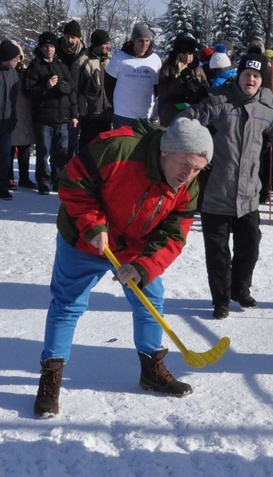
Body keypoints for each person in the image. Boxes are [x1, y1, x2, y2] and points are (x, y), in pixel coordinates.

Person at [33, 117, 214, 418]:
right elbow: (73, 181)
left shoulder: (188, 185)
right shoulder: (119, 148)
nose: (190, 175)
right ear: (165, 152)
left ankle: (151, 370)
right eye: (186, 164)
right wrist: (92, 225)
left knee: (150, 300)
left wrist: (144, 267)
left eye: (198, 168)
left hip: (133, 247)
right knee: (68, 304)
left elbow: (173, 234)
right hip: (83, 239)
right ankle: (51, 375)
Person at [177, 54, 273, 320]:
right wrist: (200, 151)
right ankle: (221, 300)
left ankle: (240, 289)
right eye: (246, 75)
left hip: (248, 194)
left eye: (256, 76)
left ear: (261, 80)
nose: (251, 80)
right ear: (238, 76)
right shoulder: (219, 102)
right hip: (216, 192)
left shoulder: (267, 111)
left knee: (250, 246)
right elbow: (187, 119)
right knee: (218, 252)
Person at [23, 31, 78, 194]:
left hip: (63, 117)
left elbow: (72, 91)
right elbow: (28, 91)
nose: (49, 49)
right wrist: (45, 86)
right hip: (43, 118)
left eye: (52, 46)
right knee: (43, 153)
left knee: (61, 152)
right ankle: (43, 181)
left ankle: (58, 180)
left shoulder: (61, 66)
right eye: (46, 46)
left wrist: (74, 114)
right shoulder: (35, 66)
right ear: (41, 48)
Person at [105, 24, 161, 129]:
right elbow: (108, 85)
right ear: (133, 41)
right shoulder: (119, 58)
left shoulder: (155, 60)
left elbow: (157, 87)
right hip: (122, 114)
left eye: (147, 41)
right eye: (141, 41)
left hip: (145, 116)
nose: (144, 44)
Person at [71, 29, 113, 147]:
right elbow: (74, 88)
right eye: (105, 44)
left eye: (108, 43)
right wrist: (75, 112)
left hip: (107, 112)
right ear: (97, 44)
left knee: (104, 147)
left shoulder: (110, 60)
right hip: (89, 113)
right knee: (88, 147)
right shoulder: (82, 61)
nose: (107, 47)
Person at [158, 35, 209, 126]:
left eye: (190, 53)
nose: (188, 57)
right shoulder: (169, 66)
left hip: (193, 113)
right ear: (178, 53)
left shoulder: (198, 68)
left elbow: (207, 89)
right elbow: (162, 91)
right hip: (172, 113)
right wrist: (180, 80)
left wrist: (198, 88)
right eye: (184, 54)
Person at [57, 20, 86, 159]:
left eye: (73, 37)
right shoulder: (55, 51)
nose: (70, 40)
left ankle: (71, 169)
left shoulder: (84, 54)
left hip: (77, 101)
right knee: (60, 142)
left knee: (73, 139)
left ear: (79, 38)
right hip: (58, 100)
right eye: (67, 36)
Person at [10, 41, 35, 189]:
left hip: (25, 114)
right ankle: (9, 177)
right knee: (9, 149)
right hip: (9, 114)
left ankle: (24, 177)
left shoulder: (27, 73)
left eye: (19, 56)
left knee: (25, 148)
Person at [0, 39, 21, 200]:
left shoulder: (14, 72)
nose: (18, 61)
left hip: (7, 122)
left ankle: (2, 187)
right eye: (15, 58)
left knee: (5, 157)